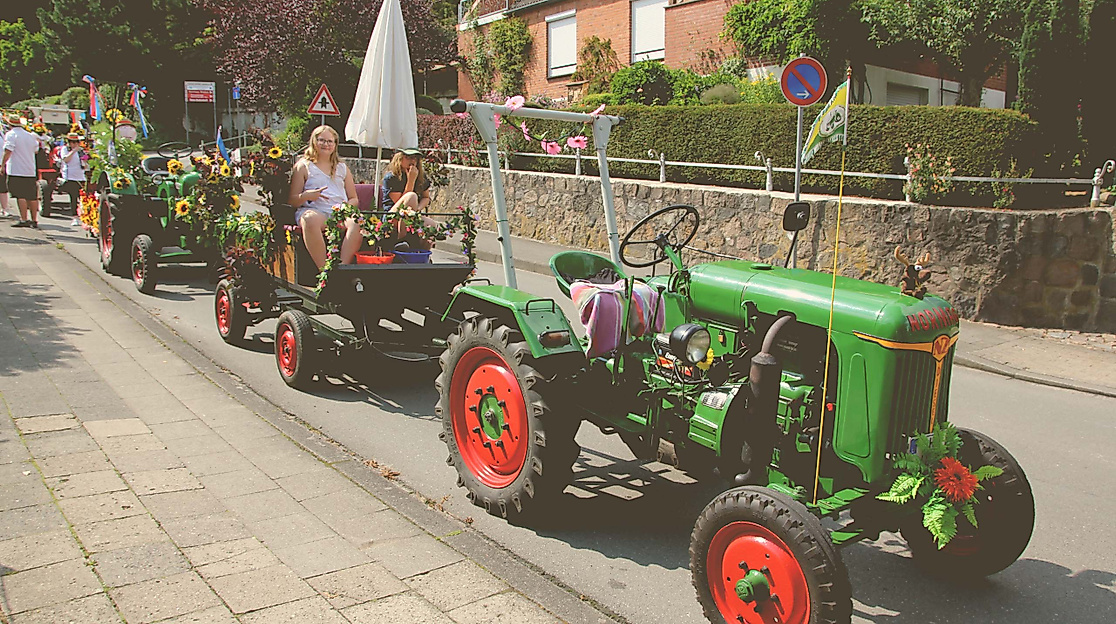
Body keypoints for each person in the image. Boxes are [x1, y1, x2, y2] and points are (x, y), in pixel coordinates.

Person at [287, 125, 361, 269]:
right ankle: (324, 271)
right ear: (314, 141)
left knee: (357, 222)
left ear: (335, 145)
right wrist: (306, 196)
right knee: (309, 219)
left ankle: (342, 268)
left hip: (339, 212)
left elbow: (354, 198)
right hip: (315, 210)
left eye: (330, 141)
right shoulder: (303, 166)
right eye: (322, 140)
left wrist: (346, 207)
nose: (326, 145)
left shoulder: (342, 167)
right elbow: (293, 200)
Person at [381, 148, 438, 250]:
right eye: (408, 158)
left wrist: (417, 208)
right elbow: (403, 204)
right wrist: (411, 179)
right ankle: (402, 240)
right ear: (399, 159)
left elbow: (425, 198)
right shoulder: (391, 178)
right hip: (393, 216)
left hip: (412, 215)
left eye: (415, 159)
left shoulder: (420, 176)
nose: (412, 161)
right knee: (411, 196)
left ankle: (422, 255)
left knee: (431, 225)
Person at [2, 114, 43, 228]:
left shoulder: (11, 135)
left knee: (20, 195)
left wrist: (2, 164)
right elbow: (36, 150)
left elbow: (8, 151)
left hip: (16, 169)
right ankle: (34, 220)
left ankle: (24, 219)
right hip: (29, 169)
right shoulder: (30, 136)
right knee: (31, 195)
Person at [59, 133, 86, 224]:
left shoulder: (80, 151)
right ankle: (75, 217)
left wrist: (85, 161)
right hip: (70, 176)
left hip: (81, 176)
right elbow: (66, 160)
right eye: (72, 142)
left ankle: (83, 216)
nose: (74, 144)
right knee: (73, 197)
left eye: (76, 142)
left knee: (82, 197)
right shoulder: (65, 149)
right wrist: (73, 151)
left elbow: (85, 161)